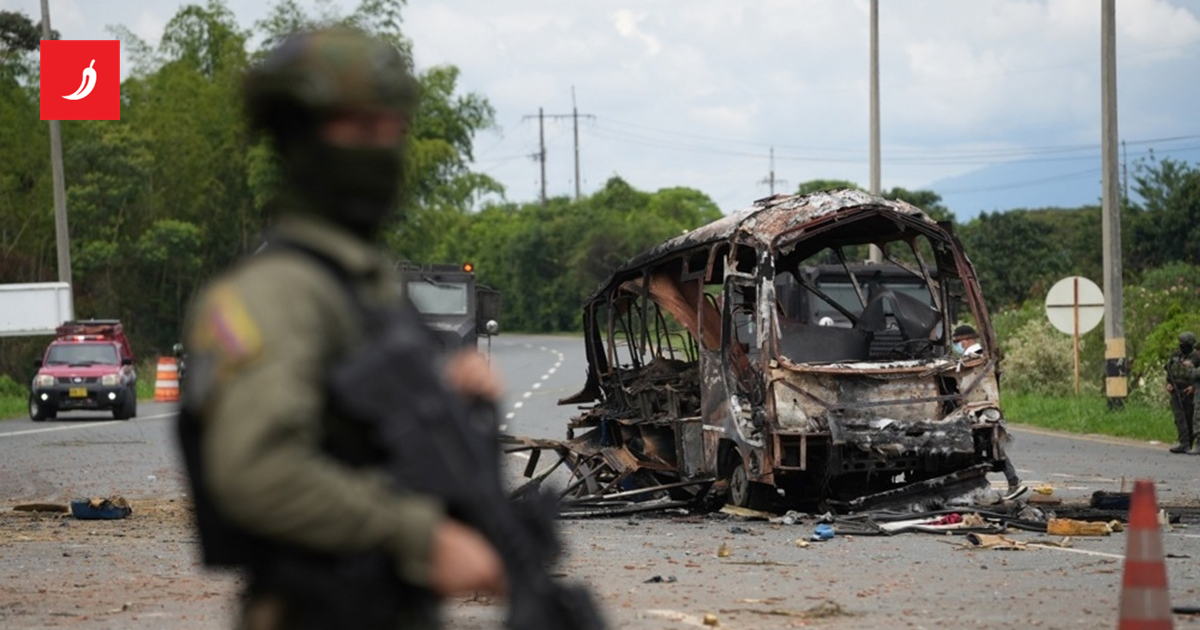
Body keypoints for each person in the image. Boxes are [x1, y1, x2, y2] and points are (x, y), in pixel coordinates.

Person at [180, 27, 505, 630]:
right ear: (297, 138)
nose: (381, 149)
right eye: (358, 129)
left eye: (392, 131)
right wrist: (419, 536)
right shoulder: (273, 293)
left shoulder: (365, 283)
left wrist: (446, 402)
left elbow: (358, 433)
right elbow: (258, 472)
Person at [952, 324, 1023, 497]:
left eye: (958, 342)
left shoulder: (974, 358)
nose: (957, 345)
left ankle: (1009, 482)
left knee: (986, 447)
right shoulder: (979, 356)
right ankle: (1010, 481)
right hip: (982, 409)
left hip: (979, 409)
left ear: (966, 341)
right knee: (990, 446)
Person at [1165, 331, 1200, 454]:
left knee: (1192, 417)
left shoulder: (1196, 357)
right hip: (1176, 389)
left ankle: (1192, 442)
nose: (1181, 345)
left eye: (1184, 343)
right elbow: (1169, 371)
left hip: (1189, 391)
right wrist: (1168, 383)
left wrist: (1193, 387)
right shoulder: (1175, 355)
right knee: (1179, 417)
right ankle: (1184, 442)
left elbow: (1197, 374)